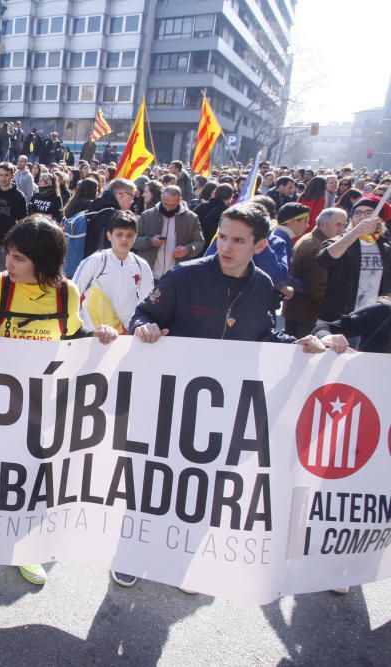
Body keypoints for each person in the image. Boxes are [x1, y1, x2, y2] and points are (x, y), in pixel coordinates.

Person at [122, 201, 326, 588]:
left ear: (259, 246)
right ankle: (133, 552)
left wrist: (300, 343)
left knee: (207, 486)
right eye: (223, 237)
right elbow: (145, 314)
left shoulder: (263, 286)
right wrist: (144, 327)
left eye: (238, 240)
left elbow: (264, 335)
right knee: (152, 478)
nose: (226, 247)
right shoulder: (184, 276)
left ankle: (182, 563)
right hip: (172, 398)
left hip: (227, 405)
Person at [0, 214, 117, 597]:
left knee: (35, 486)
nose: (10, 264)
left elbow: (74, 335)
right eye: (9, 255)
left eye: (20, 259)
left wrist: (101, 336)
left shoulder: (68, 293)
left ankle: (26, 549)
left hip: (45, 409)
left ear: (45, 263)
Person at [73, 210, 154, 334]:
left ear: (135, 237)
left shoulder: (142, 266)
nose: (124, 239)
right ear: (109, 235)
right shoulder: (95, 261)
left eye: (129, 235)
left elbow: (148, 304)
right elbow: (73, 294)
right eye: (119, 234)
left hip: (125, 335)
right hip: (94, 334)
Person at [315, 195, 391, 322]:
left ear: (379, 219)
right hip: (340, 317)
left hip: (373, 317)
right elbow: (324, 260)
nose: (362, 217)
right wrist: (356, 232)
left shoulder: (385, 248)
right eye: (357, 213)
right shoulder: (339, 241)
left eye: (368, 213)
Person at [281, 207, 348, 337]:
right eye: (338, 224)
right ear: (323, 224)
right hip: (307, 313)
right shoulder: (318, 246)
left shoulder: (311, 238)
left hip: (299, 310)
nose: (342, 229)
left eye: (344, 225)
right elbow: (317, 286)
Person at [134, 185, 203, 282]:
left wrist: (187, 250)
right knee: (152, 297)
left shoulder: (191, 218)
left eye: (173, 205)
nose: (168, 209)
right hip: (149, 274)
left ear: (180, 200)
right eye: (166, 204)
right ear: (161, 197)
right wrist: (150, 241)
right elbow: (134, 241)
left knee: (160, 297)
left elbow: (199, 242)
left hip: (176, 276)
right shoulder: (147, 215)